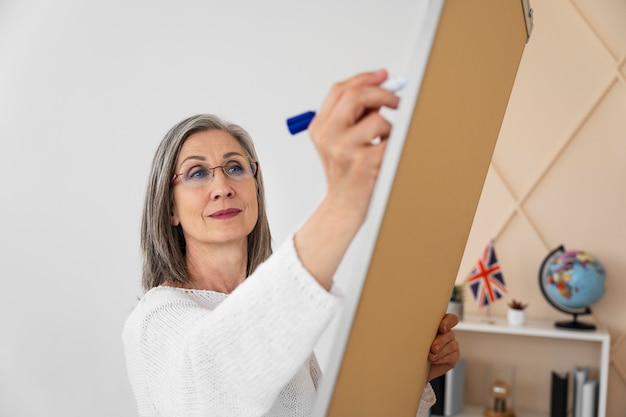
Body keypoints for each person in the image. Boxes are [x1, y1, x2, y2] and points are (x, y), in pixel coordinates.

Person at [123, 69, 460, 417]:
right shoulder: (153, 322)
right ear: (169, 210)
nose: (222, 186)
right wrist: (343, 203)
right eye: (197, 173)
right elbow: (217, 378)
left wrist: (413, 377)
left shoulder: (275, 318)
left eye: (235, 168)